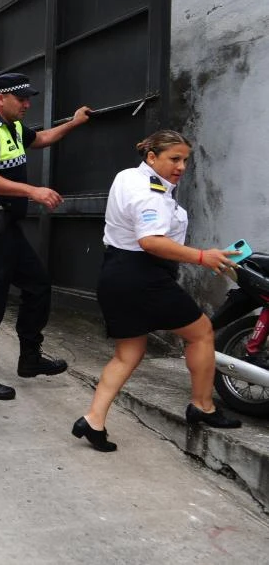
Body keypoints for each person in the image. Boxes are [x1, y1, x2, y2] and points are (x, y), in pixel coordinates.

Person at [72, 130, 242, 451]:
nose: (181, 166)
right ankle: (202, 406)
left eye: (185, 160)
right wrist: (203, 257)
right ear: (151, 157)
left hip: (115, 274)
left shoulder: (127, 177)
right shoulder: (150, 193)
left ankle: (93, 420)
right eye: (173, 159)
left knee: (128, 354)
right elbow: (150, 241)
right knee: (202, 332)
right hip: (143, 277)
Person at [0, 73, 90, 400]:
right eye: (22, 98)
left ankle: (29, 358)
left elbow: (42, 138)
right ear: (0, 98)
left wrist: (73, 123)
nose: (27, 104)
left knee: (37, 285)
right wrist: (32, 190)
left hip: (7, 229)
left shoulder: (14, 128)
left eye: (28, 98)